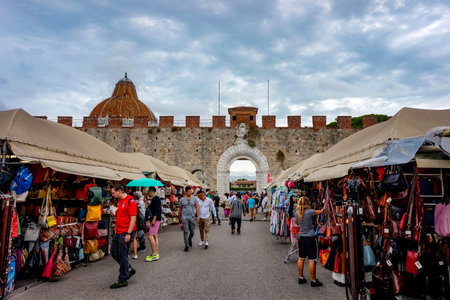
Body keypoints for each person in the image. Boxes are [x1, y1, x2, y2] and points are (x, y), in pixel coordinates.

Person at [295, 192, 325, 287]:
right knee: (312, 259)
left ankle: (301, 278)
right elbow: (321, 211)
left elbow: (297, 223)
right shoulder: (310, 212)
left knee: (301, 258)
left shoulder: (296, 213)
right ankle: (313, 280)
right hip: (310, 238)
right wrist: (326, 204)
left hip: (302, 238)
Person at [109, 184, 137, 289]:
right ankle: (128, 268)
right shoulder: (120, 201)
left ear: (119, 191)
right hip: (119, 231)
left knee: (122, 254)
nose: (112, 195)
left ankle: (122, 279)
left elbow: (133, 218)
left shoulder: (131, 201)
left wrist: (129, 233)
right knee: (114, 252)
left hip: (126, 232)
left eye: (113, 193)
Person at [178, 186, 199, 252]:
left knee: (192, 231)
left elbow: (197, 207)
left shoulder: (194, 198)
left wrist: (198, 216)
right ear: (186, 192)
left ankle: (189, 239)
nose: (191, 192)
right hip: (184, 217)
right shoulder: (182, 199)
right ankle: (186, 244)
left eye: (191, 191)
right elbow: (180, 209)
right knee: (186, 231)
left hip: (192, 217)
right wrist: (179, 218)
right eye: (189, 191)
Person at [145, 187, 162, 262]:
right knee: (154, 235)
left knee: (150, 235)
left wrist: (154, 219)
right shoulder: (155, 199)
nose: (148, 193)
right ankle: (156, 252)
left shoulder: (156, 199)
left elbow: (156, 210)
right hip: (156, 219)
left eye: (149, 192)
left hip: (156, 219)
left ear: (152, 192)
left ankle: (155, 254)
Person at [131, 191, 146, 259]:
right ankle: (141, 246)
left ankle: (142, 247)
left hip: (140, 220)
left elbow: (141, 212)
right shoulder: (140, 201)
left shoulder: (139, 203)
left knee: (140, 233)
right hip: (141, 219)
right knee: (140, 232)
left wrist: (141, 218)